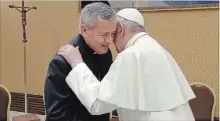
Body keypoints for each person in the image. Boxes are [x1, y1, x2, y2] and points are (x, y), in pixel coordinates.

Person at [57, 8, 196, 121]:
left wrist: (77, 63)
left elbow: (97, 104)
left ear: (121, 29)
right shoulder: (157, 48)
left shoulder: (131, 55)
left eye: (113, 33)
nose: (110, 40)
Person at [44, 2, 117, 121]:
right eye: (104, 34)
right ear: (84, 30)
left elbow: (104, 95)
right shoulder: (62, 61)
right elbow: (56, 115)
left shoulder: (105, 52)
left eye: (113, 34)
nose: (109, 40)